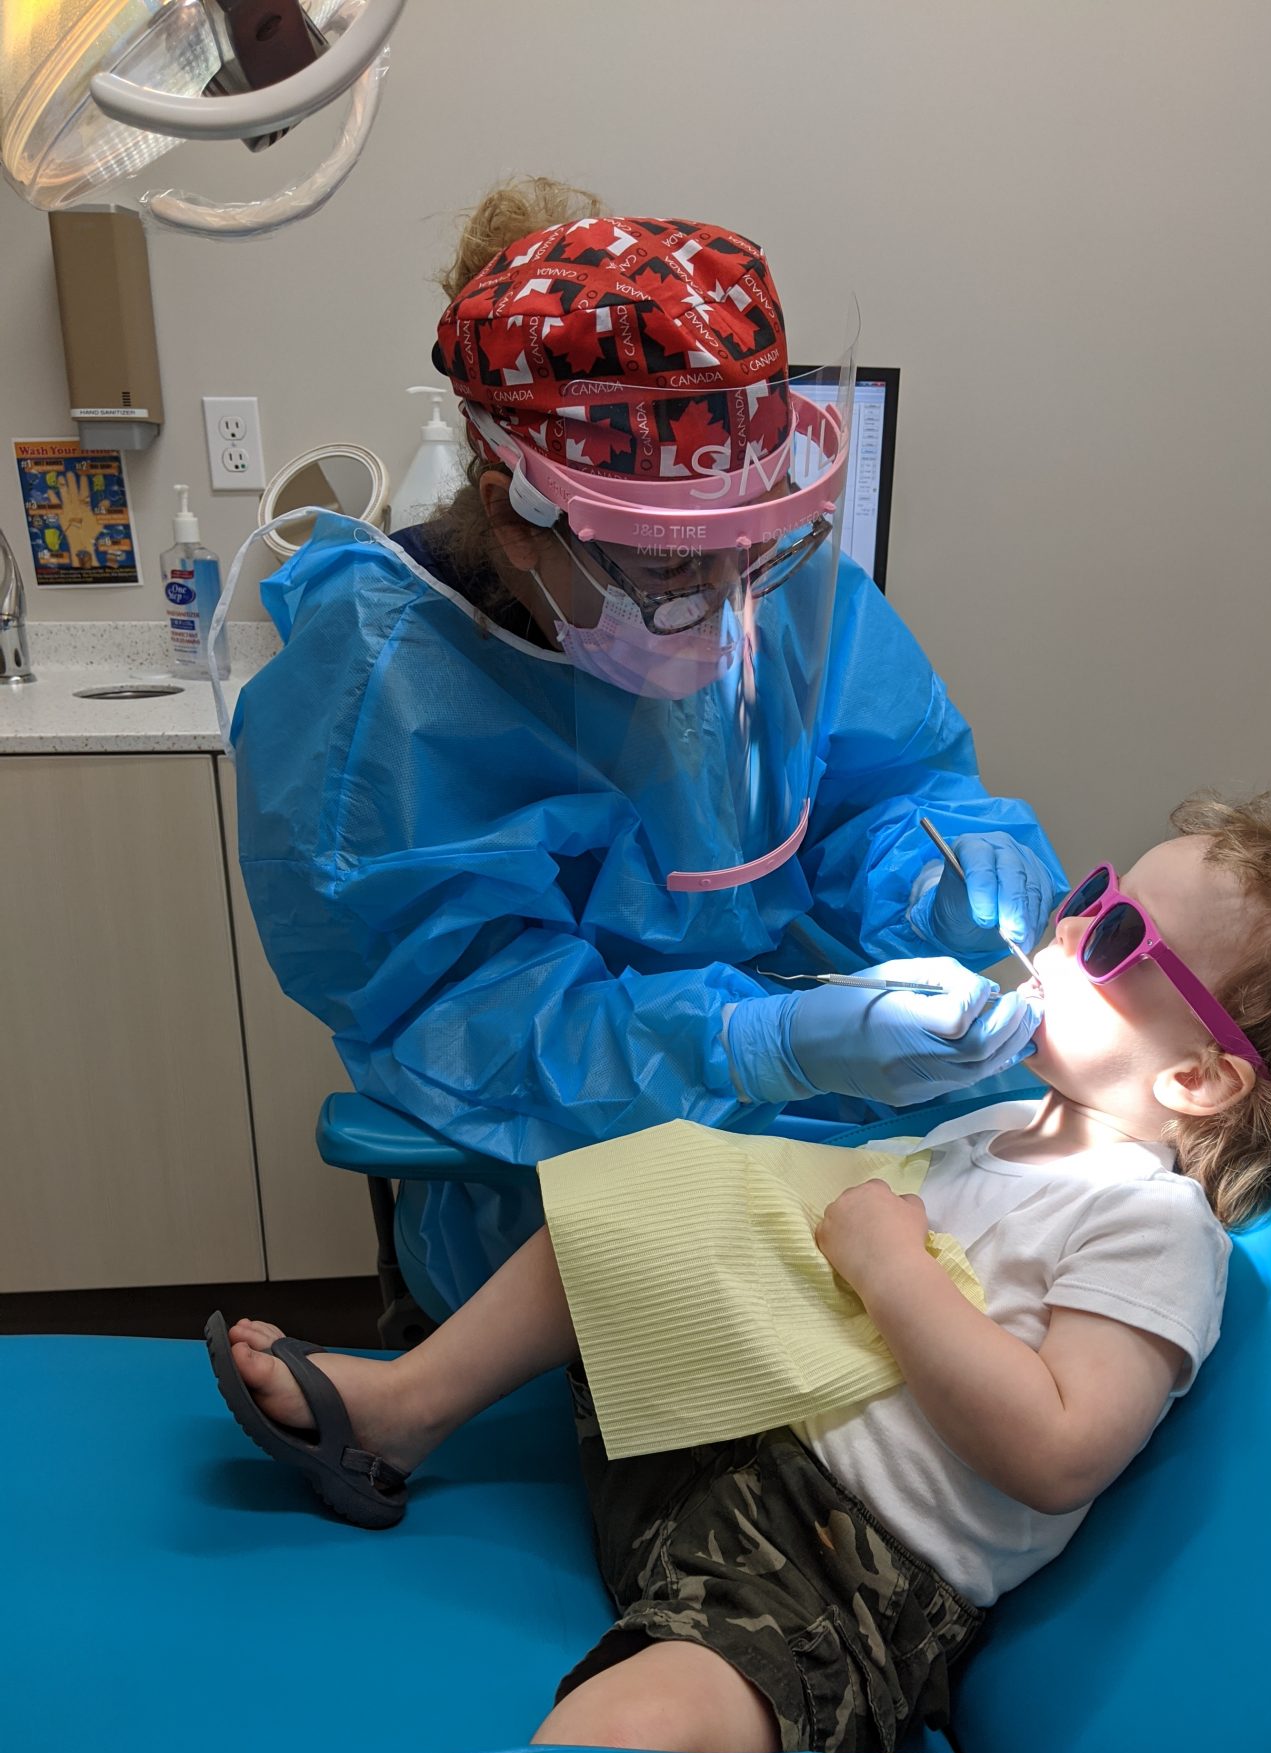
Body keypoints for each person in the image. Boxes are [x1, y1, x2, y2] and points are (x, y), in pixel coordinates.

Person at [208, 792, 1271, 1753]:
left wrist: (894, 1269)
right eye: (1090, 892)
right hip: (722, 1429)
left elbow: (1061, 1447)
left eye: (1115, 938)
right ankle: (401, 1410)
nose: (1066, 930)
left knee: (639, 1722)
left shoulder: (1152, 1226)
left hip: (836, 1566)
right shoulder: (992, 1127)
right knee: (639, 1200)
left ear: (1201, 1079)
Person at [231, 178, 1065, 1318]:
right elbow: (474, 1024)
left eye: (752, 548)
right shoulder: (382, 688)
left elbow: (890, 782)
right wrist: (756, 1043)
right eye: (673, 567)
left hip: (836, 1127)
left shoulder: (784, 585)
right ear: (514, 512)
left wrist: (942, 867)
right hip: (558, 1189)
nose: (728, 605)